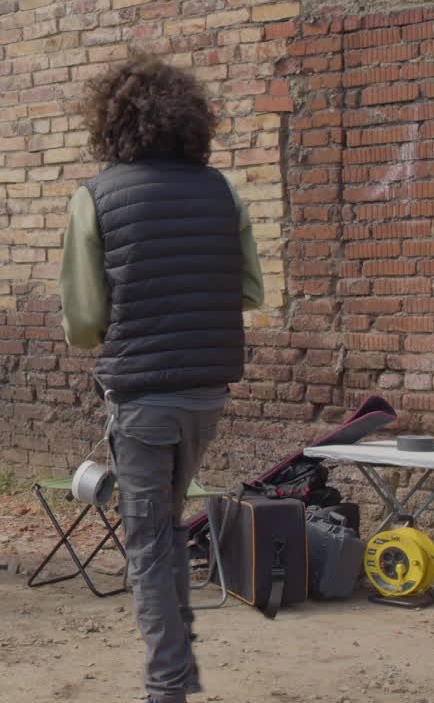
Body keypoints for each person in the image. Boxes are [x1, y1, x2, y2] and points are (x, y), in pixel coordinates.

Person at [59, 55, 264, 703]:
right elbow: (252, 291)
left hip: (143, 401)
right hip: (207, 395)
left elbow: (85, 324)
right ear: (190, 122)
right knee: (167, 526)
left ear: (110, 123)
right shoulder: (222, 190)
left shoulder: (95, 197)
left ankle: (165, 686)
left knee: (147, 540)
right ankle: (181, 668)